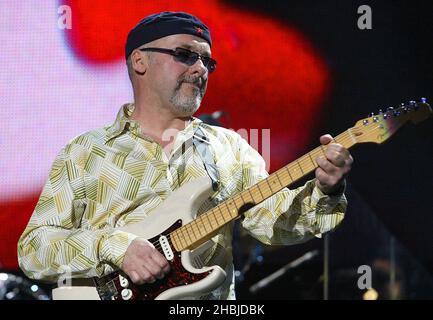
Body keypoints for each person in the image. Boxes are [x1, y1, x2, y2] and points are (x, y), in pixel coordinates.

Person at [17, 11, 353, 300]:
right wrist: (113, 246)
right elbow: (34, 251)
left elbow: (275, 226)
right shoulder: (85, 152)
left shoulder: (229, 149)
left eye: (207, 60)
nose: (201, 69)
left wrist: (325, 190)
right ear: (140, 61)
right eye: (186, 55)